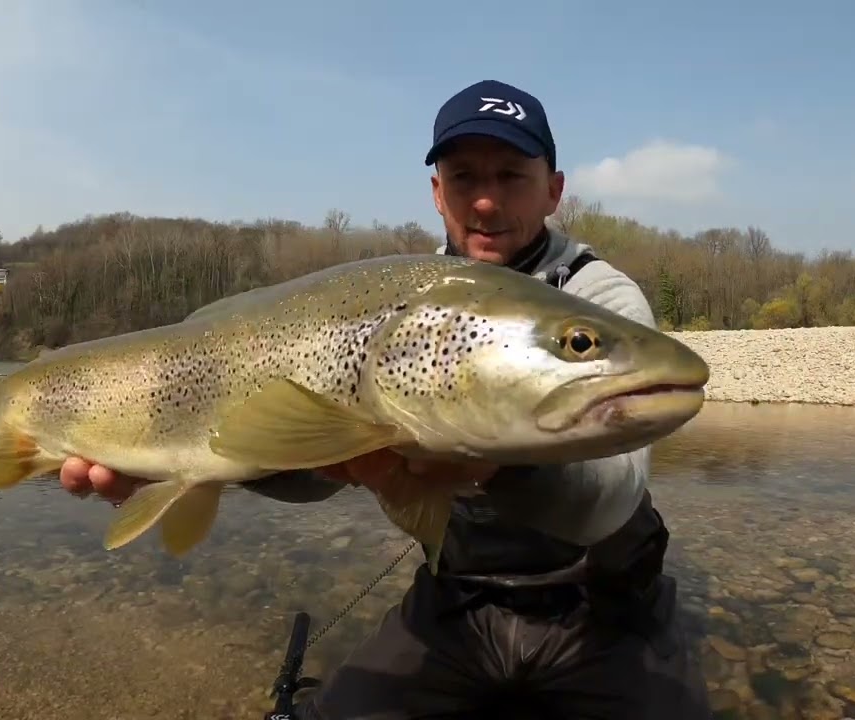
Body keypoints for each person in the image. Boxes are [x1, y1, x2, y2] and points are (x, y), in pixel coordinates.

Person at [59, 79, 712, 720]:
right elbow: (319, 480)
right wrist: (197, 461)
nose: (485, 202)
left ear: (554, 190)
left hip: (602, 607)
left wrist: (492, 466)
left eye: (511, 176)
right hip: (460, 600)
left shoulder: (600, 297)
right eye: (463, 178)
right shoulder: (399, 302)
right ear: (436, 193)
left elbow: (614, 494)